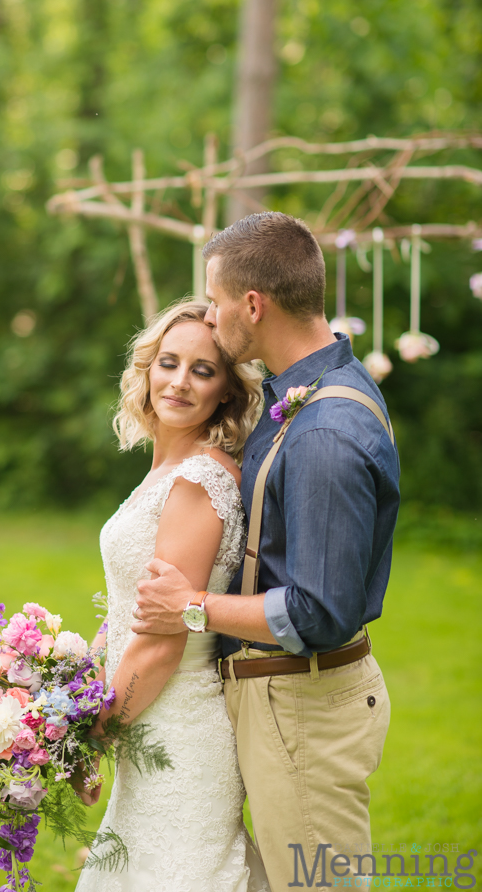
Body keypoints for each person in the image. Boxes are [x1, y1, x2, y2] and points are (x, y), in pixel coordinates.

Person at [132, 212, 400, 891]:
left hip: (303, 711)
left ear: (251, 305)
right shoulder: (302, 398)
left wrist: (188, 607)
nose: (214, 319)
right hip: (280, 704)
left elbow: (319, 610)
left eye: (217, 302)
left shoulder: (323, 434)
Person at [76, 300, 269, 892]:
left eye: (203, 370)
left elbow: (162, 642)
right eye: (168, 362)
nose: (180, 382)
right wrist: (74, 683)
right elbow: (129, 604)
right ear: (147, 370)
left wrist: (90, 740)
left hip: (179, 734)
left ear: (227, 394)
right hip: (143, 718)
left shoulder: (196, 482)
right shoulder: (167, 472)